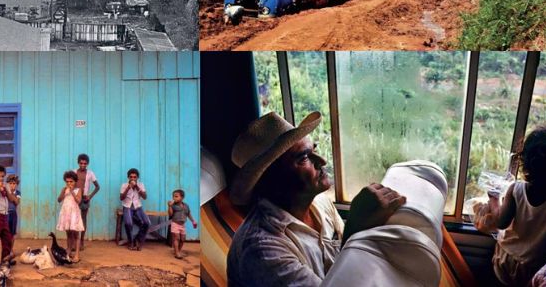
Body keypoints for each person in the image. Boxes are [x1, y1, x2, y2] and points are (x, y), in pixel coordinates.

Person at [227, 112, 407, 287]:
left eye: (314, 150)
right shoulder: (261, 251)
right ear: (272, 178)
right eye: (303, 157)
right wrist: (354, 229)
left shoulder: (319, 202)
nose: (322, 161)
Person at [484, 127, 546, 287]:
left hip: (506, 259)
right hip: (536, 265)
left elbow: (501, 223)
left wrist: (494, 199)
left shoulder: (516, 190)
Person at [57, 170, 84, 263]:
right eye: (67, 181)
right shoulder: (64, 189)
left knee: (76, 234)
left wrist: (72, 191)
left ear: (75, 181)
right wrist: (63, 192)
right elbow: (59, 200)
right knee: (68, 233)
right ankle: (68, 250)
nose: (69, 183)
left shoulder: (78, 190)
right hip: (66, 213)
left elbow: (78, 201)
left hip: (74, 214)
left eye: (71, 181)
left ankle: (77, 254)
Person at [120, 168, 149, 251]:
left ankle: (138, 239)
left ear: (137, 178)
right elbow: (121, 198)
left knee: (146, 223)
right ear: (128, 177)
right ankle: (131, 241)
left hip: (138, 207)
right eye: (131, 177)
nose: (133, 179)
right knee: (128, 223)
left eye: (134, 177)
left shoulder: (141, 185)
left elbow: (145, 197)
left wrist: (137, 187)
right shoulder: (124, 185)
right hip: (127, 207)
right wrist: (128, 188)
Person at [75, 153, 100, 251]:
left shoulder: (90, 174)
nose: (83, 165)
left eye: (85, 164)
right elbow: (70, 184)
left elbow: (98, 186)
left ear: (87, 164)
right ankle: (74, 242)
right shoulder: (74, 172)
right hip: (75, 199)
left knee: (83, 220)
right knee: (74, 220)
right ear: (78, 163)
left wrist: (90, 196)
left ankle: (81, 241)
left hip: (85, 199)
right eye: (81, 163)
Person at [168, 189, 197, 259]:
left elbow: (188, 213)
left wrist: (193, 221)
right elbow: (170, 214)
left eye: (176, 196)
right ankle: (177, 253)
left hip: (182, 225)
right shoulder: (173, 206)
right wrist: (169, 206)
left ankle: (178, 251)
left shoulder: (186, 206)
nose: (174, 198)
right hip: (175, 224)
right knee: (176, 238)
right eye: (173, 196)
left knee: (183, 239)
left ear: (182, 197)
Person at [6, 174, 21, 263]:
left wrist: (11, 194)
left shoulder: (18, 193)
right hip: (5, 214)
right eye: (10, 183)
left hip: (13, 214)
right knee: (6, 234)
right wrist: (10, 194)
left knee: (12, 234)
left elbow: (16, 202)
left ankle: (10, 250)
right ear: (8, 184)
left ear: (16, 184)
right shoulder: (5, 192)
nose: (12, 185)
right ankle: (6, 251)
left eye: (14, 183)